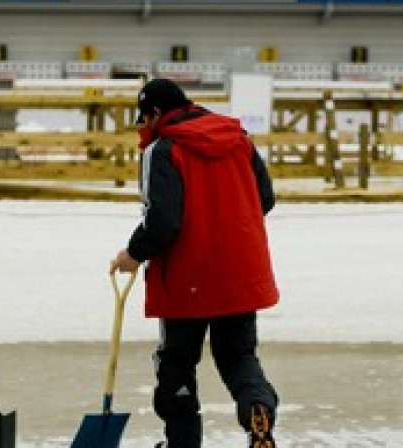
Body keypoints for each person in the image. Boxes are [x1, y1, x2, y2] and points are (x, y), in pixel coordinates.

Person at [110, 78, 279, 448]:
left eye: (144, 118)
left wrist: (132, 254)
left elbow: (162, 222)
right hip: (241, 270)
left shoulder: (164, 149)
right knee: (238, 356)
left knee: (176, 364)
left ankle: (182, 444)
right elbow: (263, 198)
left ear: (155, 113)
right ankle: (257, 409)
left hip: (188, 276)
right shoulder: (239, 139)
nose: (144, 126)